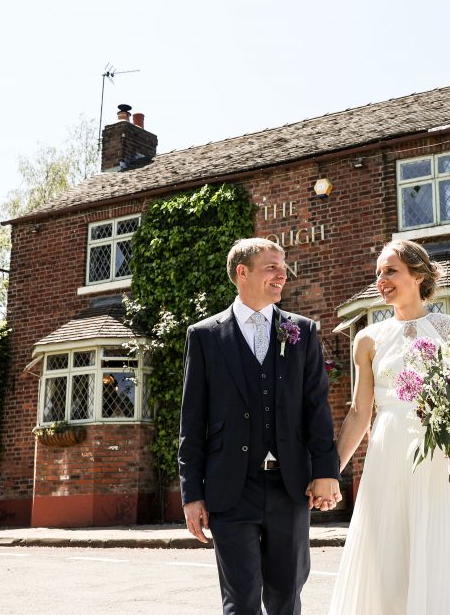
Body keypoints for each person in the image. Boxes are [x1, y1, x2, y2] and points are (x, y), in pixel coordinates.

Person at [329, 240, 450, 615]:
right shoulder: (367, 339)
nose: (381, 280)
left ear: (418, 275)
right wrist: (329, 473)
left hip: (438, 457)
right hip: (386, 455)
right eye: (378, 273)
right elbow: (360, 413)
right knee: (385, 554)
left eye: (390, 270)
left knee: (441, 550)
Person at [179, 237, 342, 615]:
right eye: (272, 266)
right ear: (242, 273)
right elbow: (192, 420)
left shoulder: (302, 331)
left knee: (287, 599)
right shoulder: (204, 336)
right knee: (241, 602)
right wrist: (192, 494)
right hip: (230, 490)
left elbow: (316, 408)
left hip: (290, 486)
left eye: (283, 266)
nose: (282, 274)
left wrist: (326, 471)